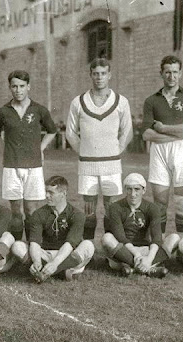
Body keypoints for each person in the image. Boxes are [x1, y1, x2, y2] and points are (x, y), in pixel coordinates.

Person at [65, 58, 133, 240]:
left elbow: (127, 132)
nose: (99, 77)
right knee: (89, 208)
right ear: (91, 75)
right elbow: (70, 133)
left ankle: (112, 251)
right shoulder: (78, 102)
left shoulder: (121, 101)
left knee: (112, 209)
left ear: (109, 75)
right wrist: (85, 151)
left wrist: (115, 150)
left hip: (112, 163)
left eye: (103, 73)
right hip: (88, 164)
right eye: (96, 74)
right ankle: (89, 249)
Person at [0, 70, 58, 241]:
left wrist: (40, 148)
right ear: (10, 87)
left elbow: (52, 130)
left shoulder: (39, 109)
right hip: (11, 166)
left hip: (33, 165)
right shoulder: (3, 111)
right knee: (16, 210)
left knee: (31, 209)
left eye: (21, 86)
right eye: (14, 86)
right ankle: (18, 247)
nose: (18, 90)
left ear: (29, 87)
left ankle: (33, 244)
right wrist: (5, 151)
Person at [142, 55, 183, 238]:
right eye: (168, 72)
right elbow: (146, 134)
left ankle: (182, 245)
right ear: (161, 74)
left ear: (180, 74)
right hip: (159, 152)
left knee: (182, 205)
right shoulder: (151, 101)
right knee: (159, 204)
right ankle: (159, 246)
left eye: (175, 72)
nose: (171, 76)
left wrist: (164, 128)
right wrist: (179, 133)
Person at [11, 176, 95, 283]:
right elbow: (35, 243)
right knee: (17, 246)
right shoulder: (39, 214)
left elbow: (70, 243)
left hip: (68, 255)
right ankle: (62, 272)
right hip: (46, 254)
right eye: (46, 192)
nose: (46, 196)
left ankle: (46, 272)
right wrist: (36, 261)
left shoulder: (77, 214)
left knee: (88, 245)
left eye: (51, 193)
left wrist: (55, 264)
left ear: (63, 194)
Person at [101, 173, 180, 277]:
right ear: (125, 190)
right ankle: (149, 269)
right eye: (129, 189)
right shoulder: (115, 207)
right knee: (107, 238)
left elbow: (157, 238)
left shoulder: (152, 208)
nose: (133, 194)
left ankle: (133, 268)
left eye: (137, 189)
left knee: (175, 238)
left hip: (145, 249)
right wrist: (136, 254)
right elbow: (120, 237)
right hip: (123, 250)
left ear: (144, 190)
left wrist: (149, 258)